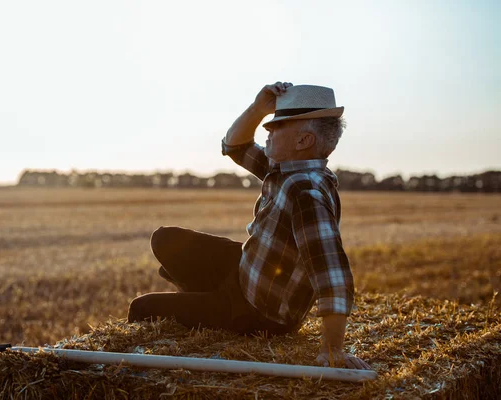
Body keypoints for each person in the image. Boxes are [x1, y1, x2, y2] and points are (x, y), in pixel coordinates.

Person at [128, 82, 371, 370]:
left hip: (257, 310)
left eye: (277, 126)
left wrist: (333, 351)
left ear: (303, 141)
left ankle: (209, 302)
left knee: (141, 309)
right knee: (164, 239)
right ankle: (201, 296)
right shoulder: (284, 168)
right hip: (246, 268)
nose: (267, 130)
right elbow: (234, 145)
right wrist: (258, 108)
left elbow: (332, 276)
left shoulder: (306, 193)